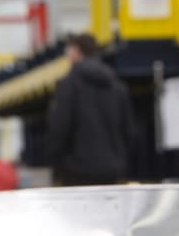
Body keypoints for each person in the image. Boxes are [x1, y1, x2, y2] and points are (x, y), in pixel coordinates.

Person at [48, 33, 133, 186]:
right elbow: (128, 130)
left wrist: (56, 165)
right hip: (111, 171)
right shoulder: (118, 86)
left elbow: (59, 128)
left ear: (77, 51)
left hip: (76, 172)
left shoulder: (67, 86)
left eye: (69, 51)